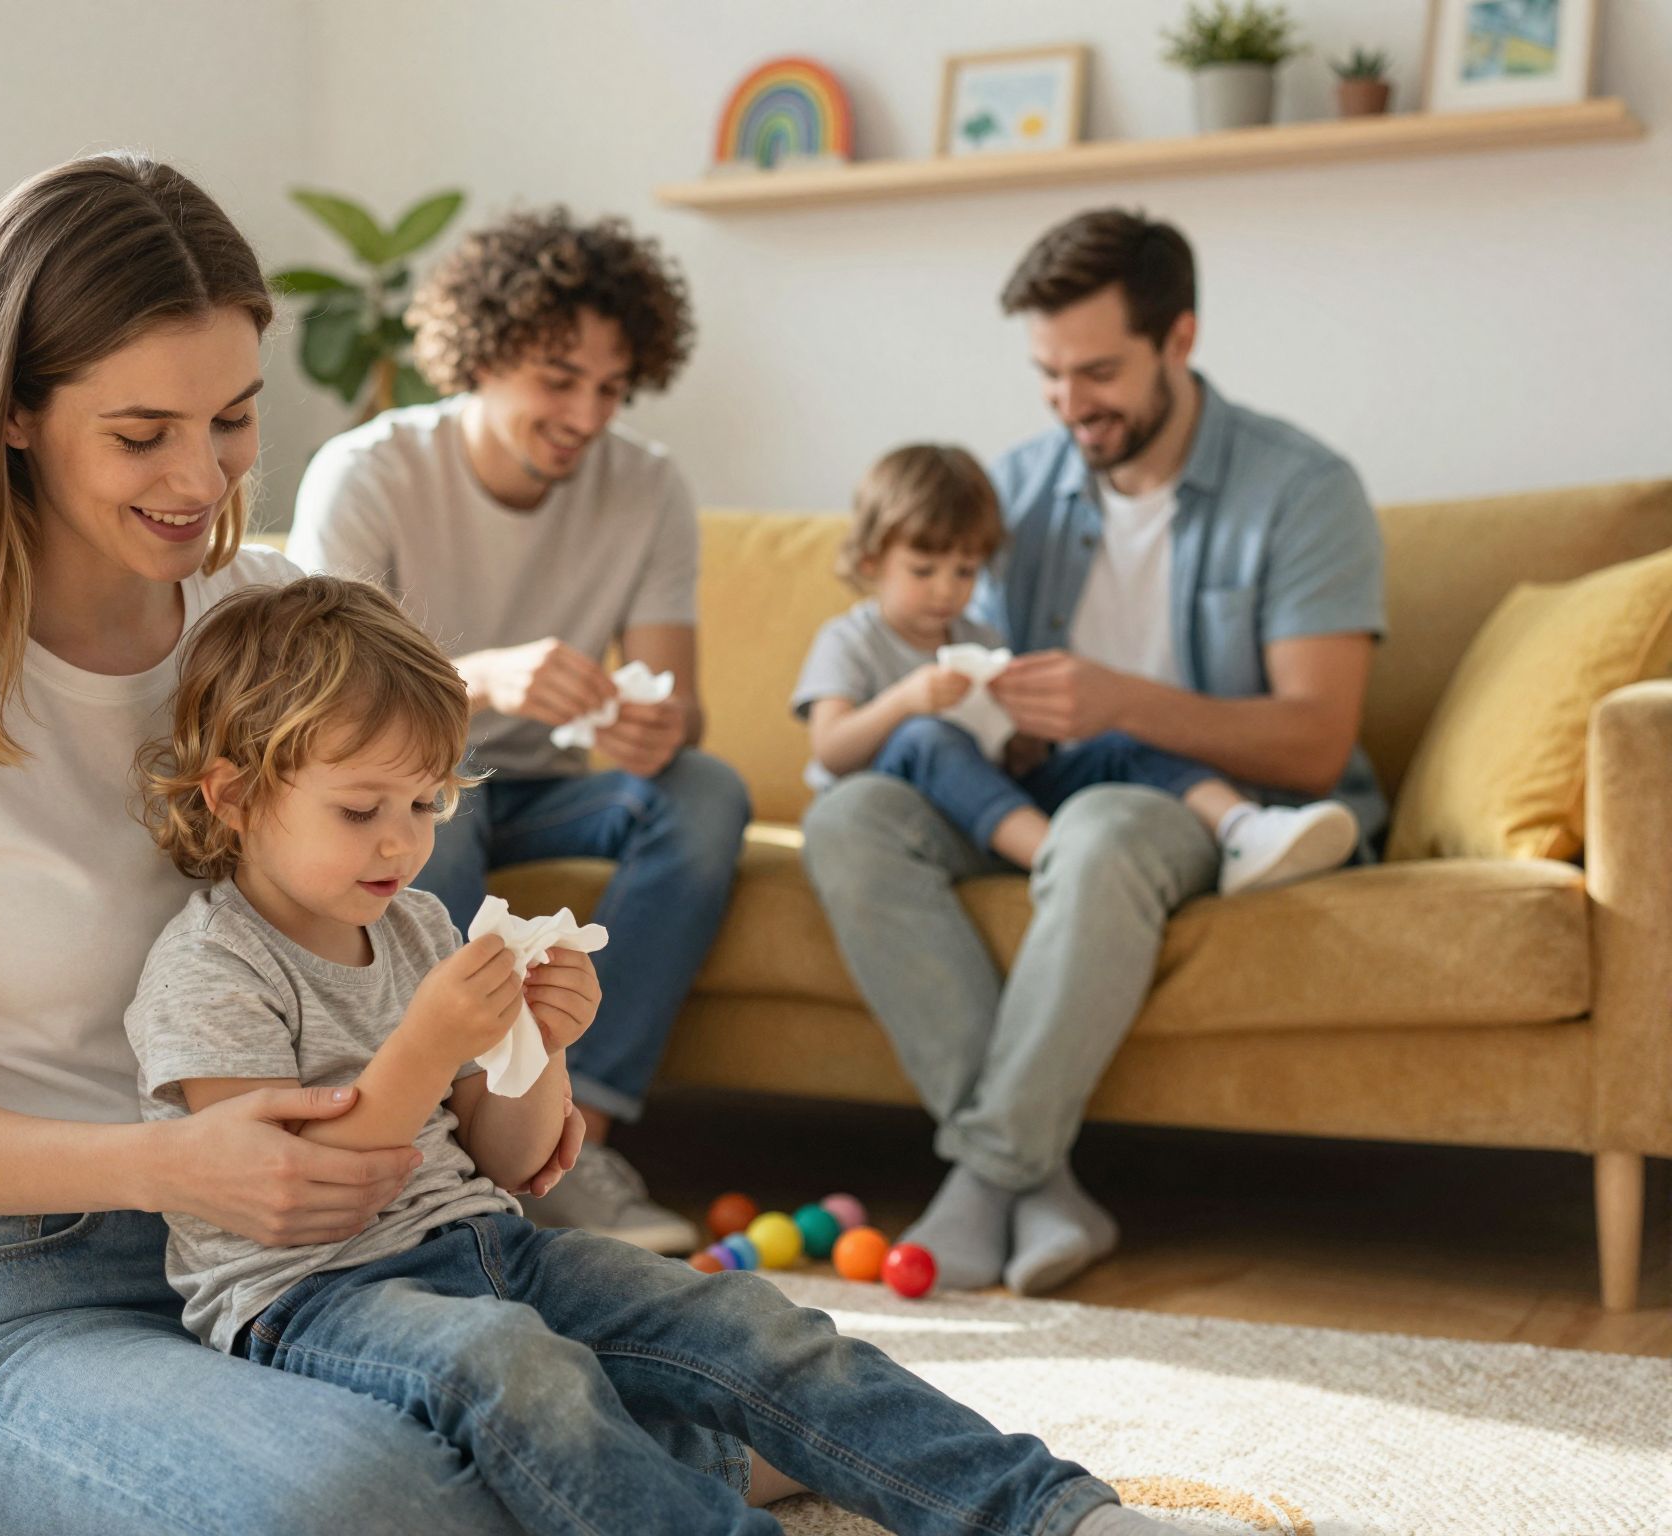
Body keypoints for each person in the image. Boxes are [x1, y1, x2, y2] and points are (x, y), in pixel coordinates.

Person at [0, 153, 638, 1536]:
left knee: (724, 1374)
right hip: (43, 1286)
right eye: (141, 434)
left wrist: (510, 1073)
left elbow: (382, 929)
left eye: (231, 418)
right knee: (369, 1497)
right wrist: (164, 1167)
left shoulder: (276, 619)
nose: (200, 476)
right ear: (13, 413)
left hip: (342, 1257)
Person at [121, 571, 1168, 1536]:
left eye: (425, 803)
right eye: (360, 809)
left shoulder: (418, 928)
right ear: (233, 795)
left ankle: (1049, 1512)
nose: (401, 841)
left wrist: (541, 1046)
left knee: (748, 1324)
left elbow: (506, 1159)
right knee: (515, 1366)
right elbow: (300, 1193)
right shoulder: (210, 968)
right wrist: (428, 1044)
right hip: (313, 1299)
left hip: (487, 1246)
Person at [802, 210, 1387, 1297]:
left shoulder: (1301, 492)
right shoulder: (1018, 488)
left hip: (1199, 803)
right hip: (1031, 785)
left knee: (1102, 828)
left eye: (1099, 371)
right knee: (847, 818)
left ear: (1178, 340)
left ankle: (985, 1176)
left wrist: (1122, 701)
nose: (1071, 403)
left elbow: (1315, 743)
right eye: (1048, 374)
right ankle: (1043, 1186)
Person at [289, 207, 750, 1253]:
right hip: (417, 778)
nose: (586, 414)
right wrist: (482, 679)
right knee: (429, 819)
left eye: (610, 387)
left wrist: (656, 727)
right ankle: (454, 1136)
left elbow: (684, 706)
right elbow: (316, 698)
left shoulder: (648, 486)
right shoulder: (369, 472)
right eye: (558, 378)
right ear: (482, 355)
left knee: (705, 790)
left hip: (553, 787)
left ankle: (582, 1141)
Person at [796, 442, 1359, 887]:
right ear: (871, 562)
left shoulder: (980, 637)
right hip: (911, 813)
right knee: (928, 737)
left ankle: (1242, 827)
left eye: (965, 572)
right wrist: (907, 699)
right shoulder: (850, 640)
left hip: (995, 804)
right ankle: (1061, 863)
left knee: (1117, 737)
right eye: (923, 571)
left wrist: (1023, 738)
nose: (947, 590)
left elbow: (1009, 759)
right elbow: (831, 750)